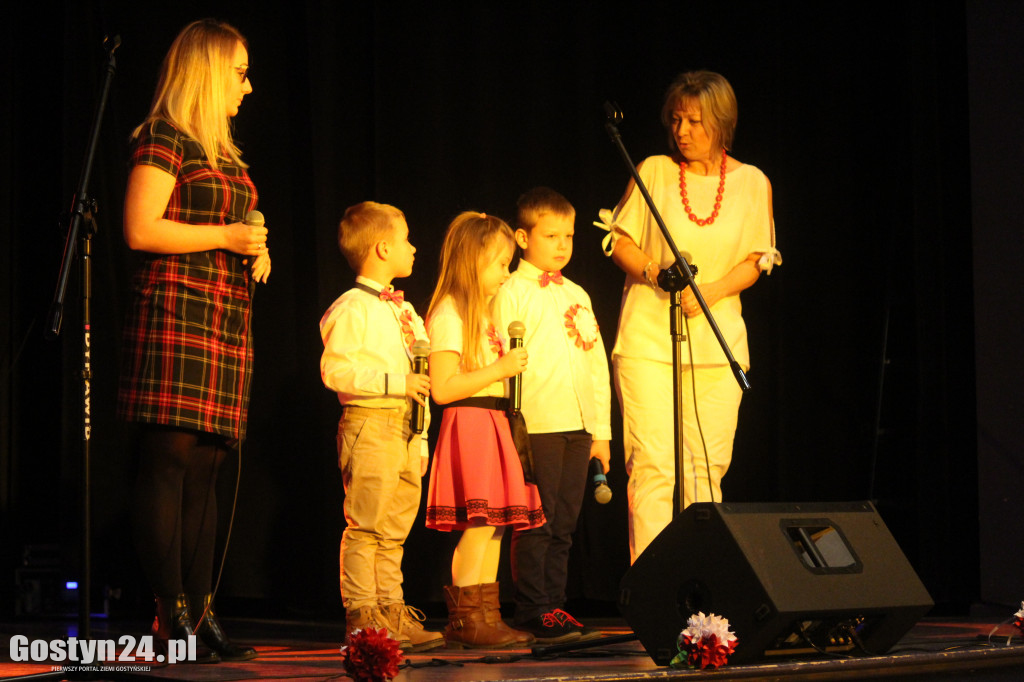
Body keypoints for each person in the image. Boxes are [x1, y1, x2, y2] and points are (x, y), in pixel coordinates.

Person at [118, 18, 269, 662]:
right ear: (207, 71)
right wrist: (226, 238)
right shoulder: (164, 137)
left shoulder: (225, 155)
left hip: (225, 320)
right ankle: (169, 612)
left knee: (208, 470)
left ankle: (203, 613)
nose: (248, 86)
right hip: (176, 314)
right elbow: (140, 229)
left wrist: (255, 245)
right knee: (171, 463)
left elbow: (234, 222)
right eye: (238, 72)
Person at [604, 71, 781, 564]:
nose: (682, 131)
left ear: (721, 124)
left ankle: (702, 586)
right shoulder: (656, 170)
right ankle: (654, 590)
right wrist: (657, 273)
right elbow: (620, 240)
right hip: (647, 342)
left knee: (706, 469)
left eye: (695, 121)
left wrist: (710, 290)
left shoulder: (751, 182)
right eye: (676, 120)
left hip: (715, 342)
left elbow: (756, 259)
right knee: (654, 466)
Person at [319, 201, 443, 652]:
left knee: (395, 530)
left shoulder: (404, 310)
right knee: (366, 526)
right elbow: (337, 373)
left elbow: (423, 374)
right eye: (407, 239)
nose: (414, 248)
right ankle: (362, 615)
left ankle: (391, 611)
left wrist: (422, 434)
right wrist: (397, 383)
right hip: (371, 422)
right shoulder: (352, 307)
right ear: (383, 246)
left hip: (408, 429)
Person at [491, 188, 612, 643]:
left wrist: (601, 431)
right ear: (523, 237)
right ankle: (531, 608)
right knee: (535, 520)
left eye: (569, 235)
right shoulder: (510, 291)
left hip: (578, 424)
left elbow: (595, 363)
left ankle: (554, 605)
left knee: (565, 520)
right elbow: (500, 356)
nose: (562, 244)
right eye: (551, 235)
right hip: (536, 422)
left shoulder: (577, 292)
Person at [424, 211, 545, 648]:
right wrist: (499, 368)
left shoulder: (486, 313)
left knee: (496, 524)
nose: (505, 273)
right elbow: (442, 387)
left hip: (495, 421)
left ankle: (487, 615)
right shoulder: (450, 312)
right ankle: (465, 619)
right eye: (499, 263)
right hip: (470, 423)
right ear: (474, 260)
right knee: (478, 524)